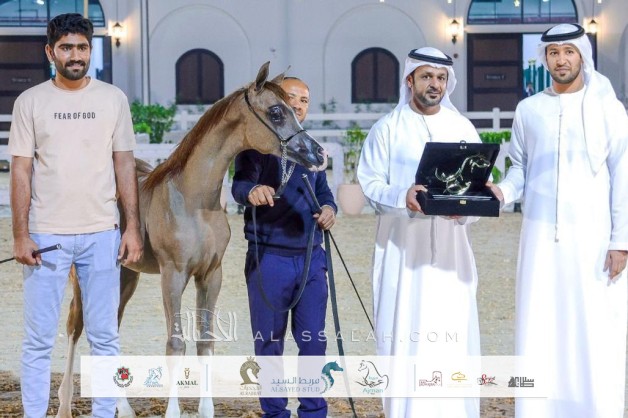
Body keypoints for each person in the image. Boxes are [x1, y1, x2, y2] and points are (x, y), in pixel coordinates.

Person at [490, 23, 628, 417]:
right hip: (539, 239)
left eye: (568, 52)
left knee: (594, 327)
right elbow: (520, 168)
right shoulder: (529, 109)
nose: (561, 60)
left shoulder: (608, 107)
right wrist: (502, 192)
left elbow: (623, 174)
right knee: (541, 324)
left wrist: (621, 240)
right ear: (545, 59)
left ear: (582, 55)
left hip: (594, 239)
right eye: (553, 53)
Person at [8, 13, 142, 417]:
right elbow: (21, 170)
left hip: (102, 233)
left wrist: (132, 227)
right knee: (38, 340)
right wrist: (20, 235)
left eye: (82, 47)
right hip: (46, 236)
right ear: (50, 52)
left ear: (90, 50)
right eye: (66, 47)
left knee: (105, 337)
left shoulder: (113, 99)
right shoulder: (30, 101)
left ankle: (104, 413)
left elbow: (124, 164)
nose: (75, 55)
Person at [357, 47, 482, 417]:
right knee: (404, 335)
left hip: (452, 252)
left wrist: (465, 212)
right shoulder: (387, 129)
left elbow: (476, 186)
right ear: (410, 80)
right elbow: (370, 184)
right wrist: (403, 196)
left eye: (441, 78)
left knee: (452, 336)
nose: (435, 84)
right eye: (427, 76)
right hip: (403, 254)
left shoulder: (462, 128)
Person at [231, 76, 336, 418]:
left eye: (304, 100)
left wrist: (329, 209)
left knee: (313, 341)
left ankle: (314, 412)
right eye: (292, 98)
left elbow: (324, 193)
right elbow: (240, 184)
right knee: (269, 343)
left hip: (311, 259)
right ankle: (275, 413)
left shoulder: (311, 149)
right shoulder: (255, 148)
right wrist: (251, 191)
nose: (298, 105)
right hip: (269, 257)